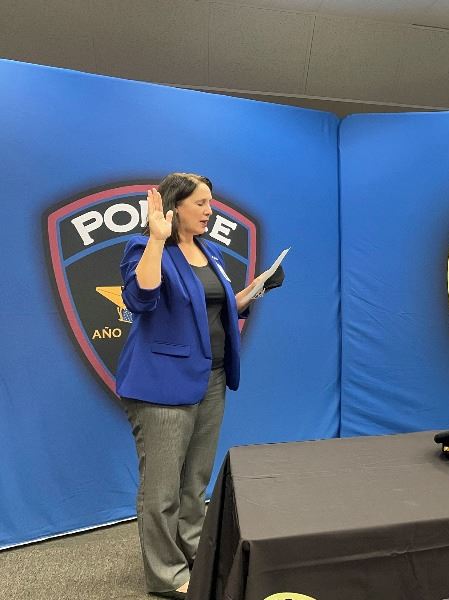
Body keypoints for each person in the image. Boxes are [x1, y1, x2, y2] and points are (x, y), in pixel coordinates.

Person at [116, 173, 272, 599]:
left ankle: (194, 557)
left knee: (194, 481)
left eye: (210, 202)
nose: (209, 210)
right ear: (175, 206)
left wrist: (251, 293)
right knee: (162, 488)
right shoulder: (145, 248)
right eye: (201, 203)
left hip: (213, 377)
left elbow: (214, 306)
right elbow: (140, 298)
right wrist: (155, 238)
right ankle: (166, 576)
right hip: (161, 385)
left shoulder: (210, 250)